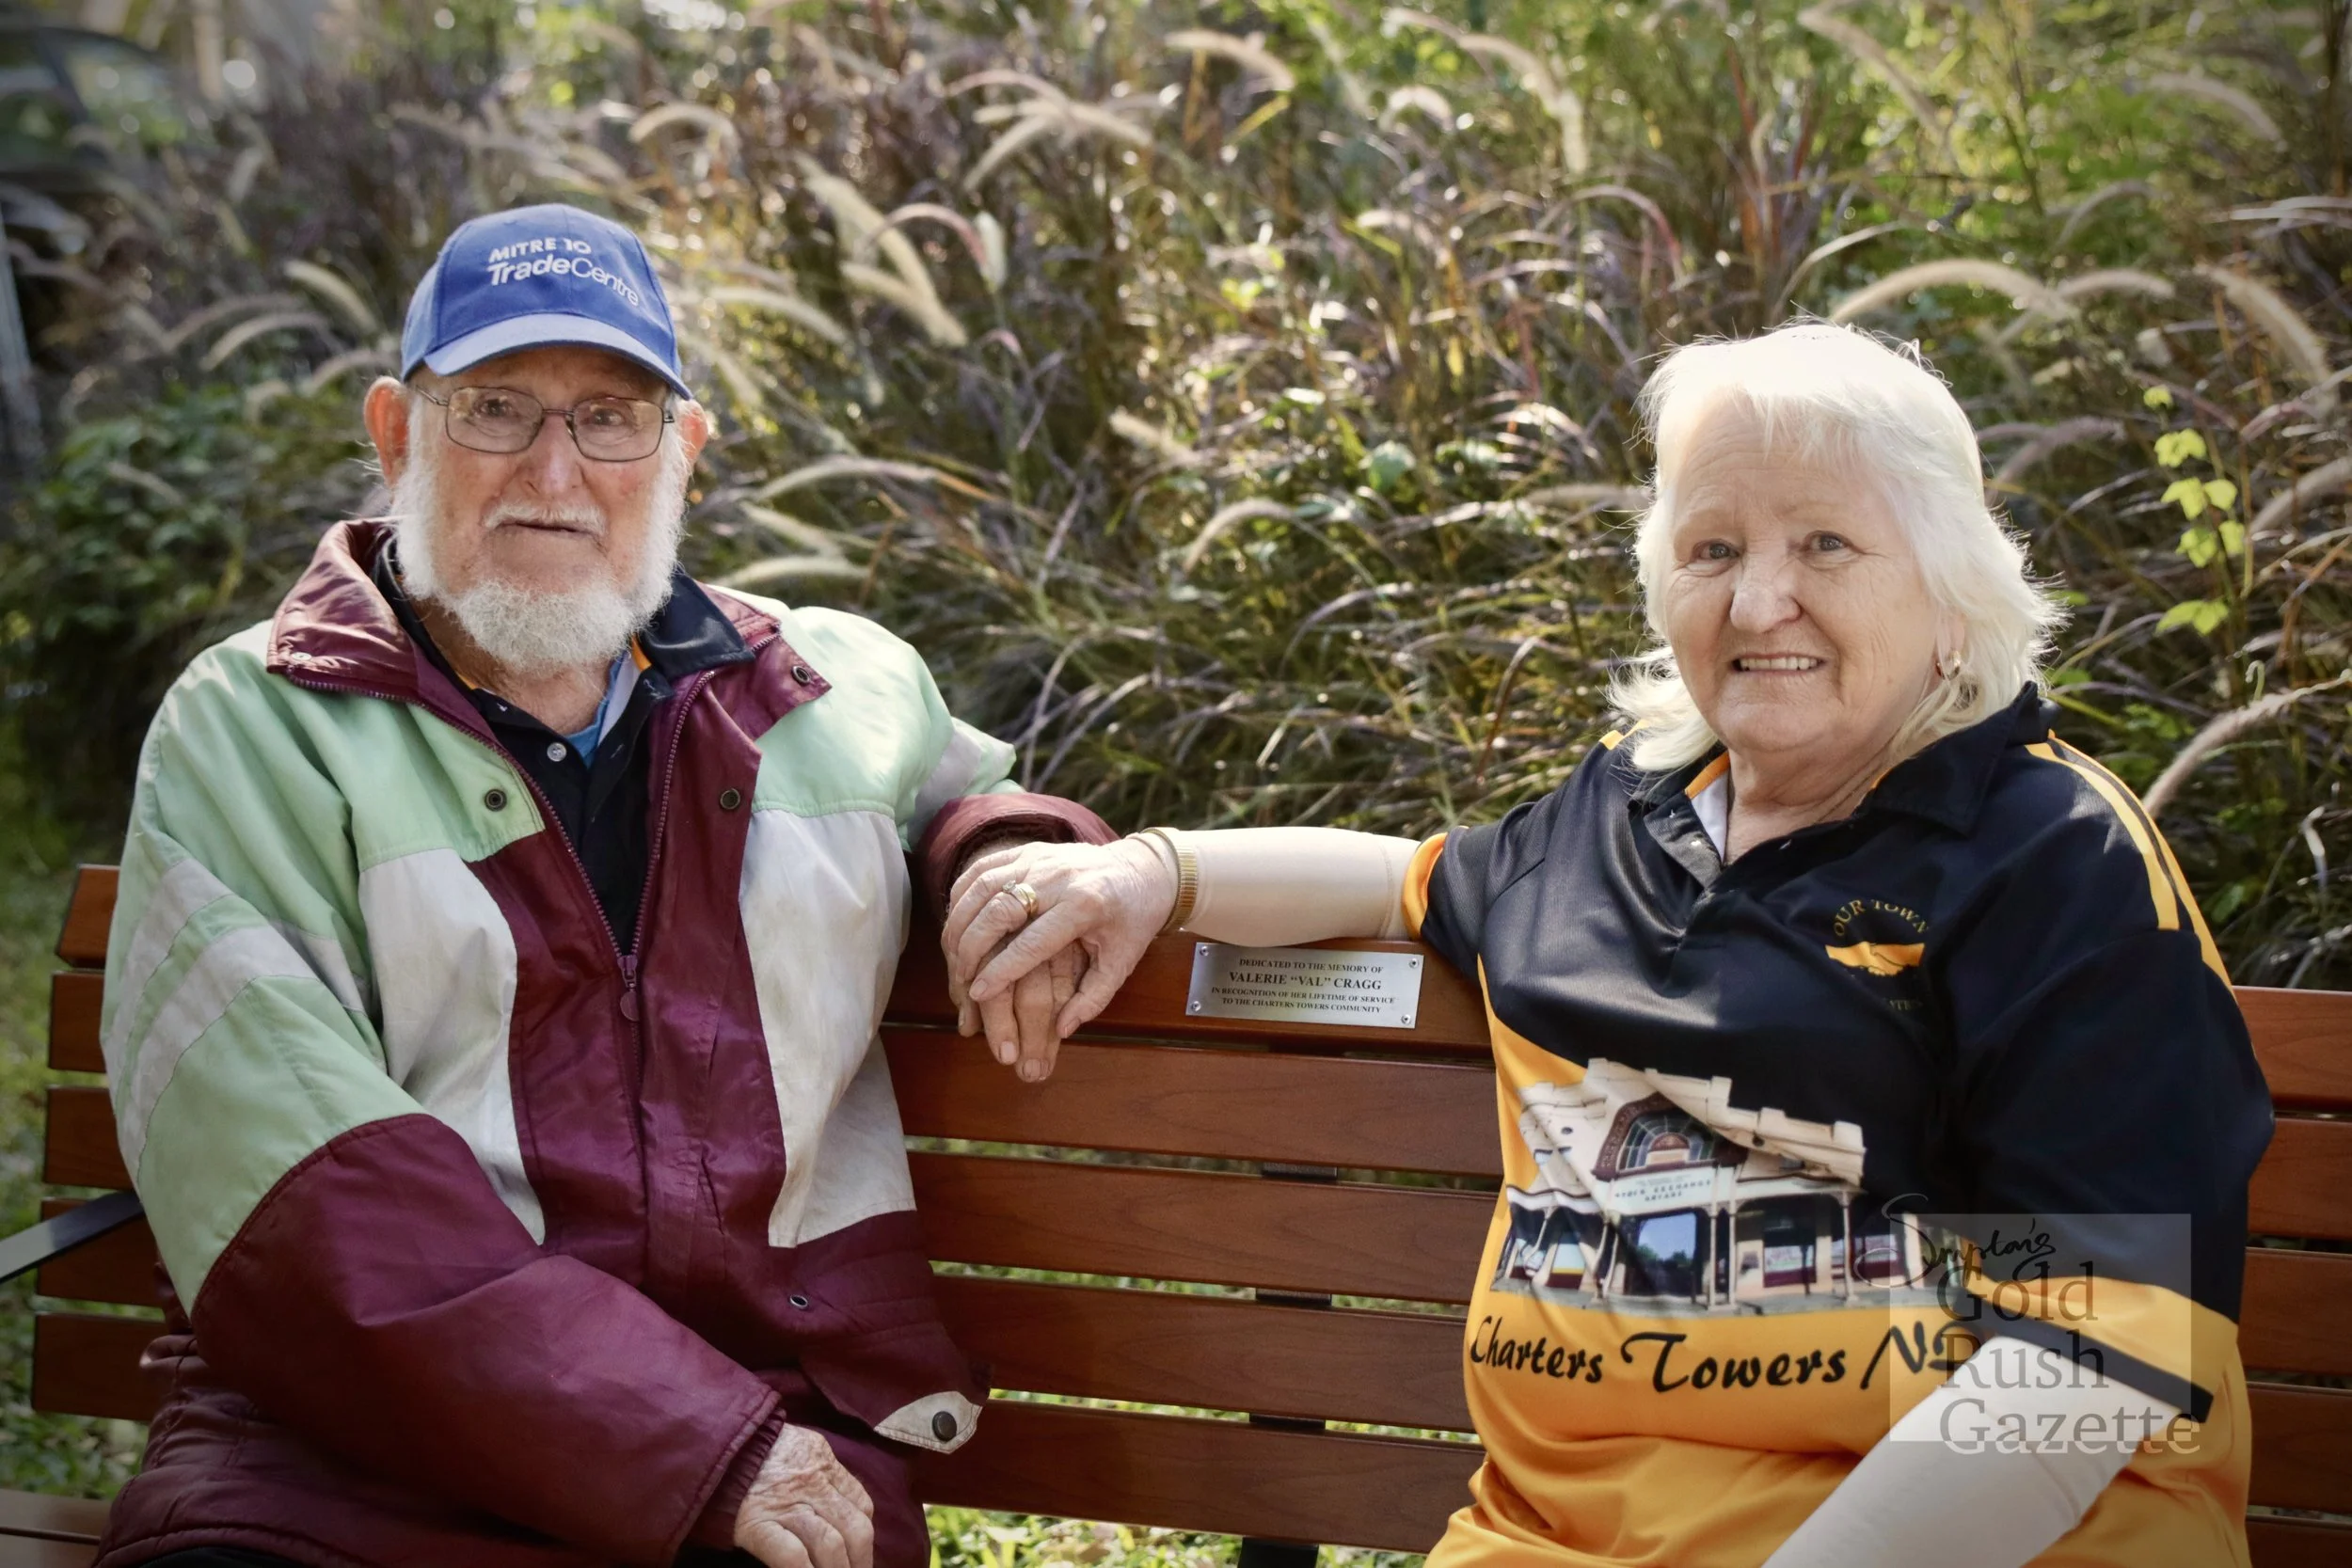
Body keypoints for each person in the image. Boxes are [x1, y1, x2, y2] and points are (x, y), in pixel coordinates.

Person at [941, 324, 2274, 1568]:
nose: (1760, 603)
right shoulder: (1617, 820)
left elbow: (2087, 1359)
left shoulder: (2051, 855)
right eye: (1712, 551)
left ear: (1953, 591)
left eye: (1825, 544)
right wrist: (1148, 871)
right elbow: (1408, 882)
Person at [94, 202, 1109, 1568]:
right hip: (341, 1473)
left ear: (681, 450)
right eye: (498, 407)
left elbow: (956, 793)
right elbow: (309, 1198)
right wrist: (686, 1441)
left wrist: (1004, 845)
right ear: (398, 433)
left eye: (612, 416)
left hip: (769, 1442)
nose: (555, 471)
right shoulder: (256, 727)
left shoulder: (832, 685)